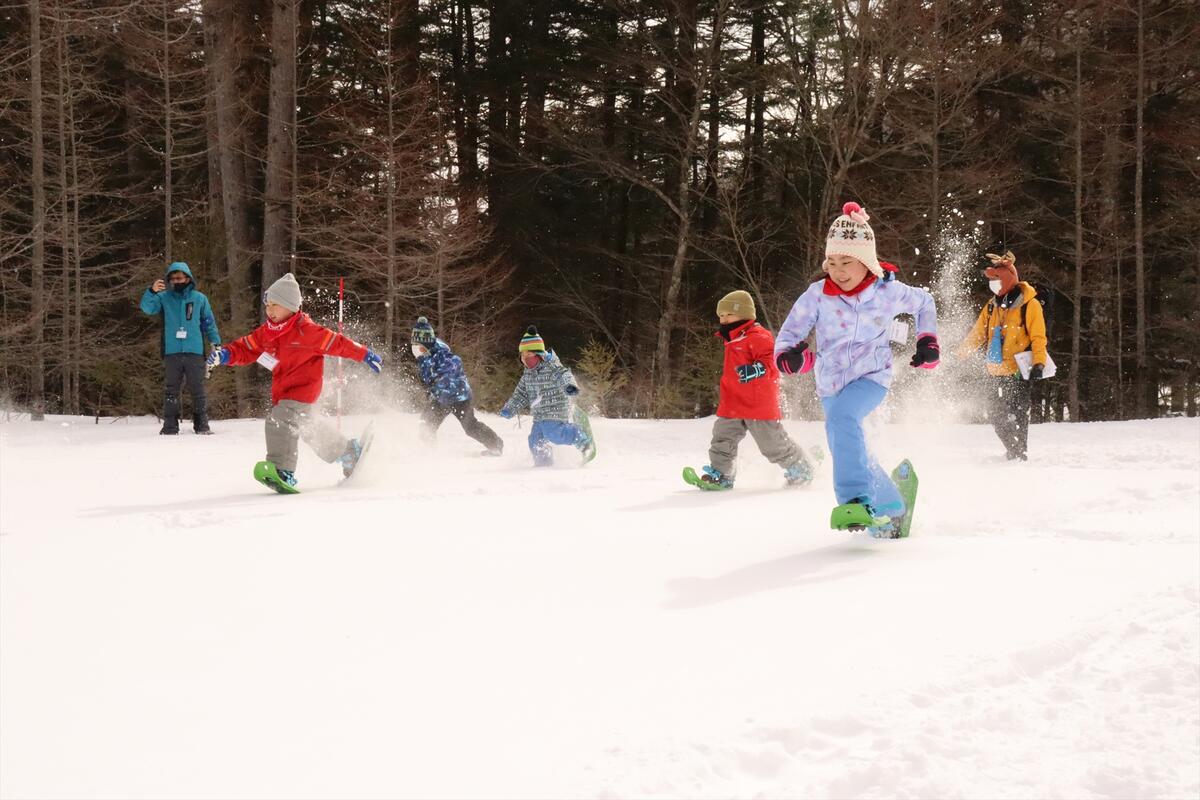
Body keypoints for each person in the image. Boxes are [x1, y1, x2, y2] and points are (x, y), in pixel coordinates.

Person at [774, 202, 939, 536]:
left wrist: (928, 340)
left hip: (871, 377)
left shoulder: (888, 293)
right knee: (846, 443)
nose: (839, 270)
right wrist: (791, 358)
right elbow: (789, 336)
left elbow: (925, 302)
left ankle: (856, 501)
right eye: (832, 262)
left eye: (847, 262)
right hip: (831, 383)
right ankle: (891, 505)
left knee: (844, 422)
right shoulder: (817, 295)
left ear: (866, 263)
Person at [206, 272, 383, 489]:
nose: (270, 311)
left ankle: (283, 470)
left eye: (275, 305)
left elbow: (338, 343)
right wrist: (224, 354)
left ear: (291, 306)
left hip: (303, 391)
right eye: (268, 305)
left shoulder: (307, 331)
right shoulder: (267, 333)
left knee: (279, 420)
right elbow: (246, 348)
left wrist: (364, 354)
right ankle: (348, 452)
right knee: (308, 429)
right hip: (284, 393)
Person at [689, 290, 815, 490]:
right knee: (722, 438)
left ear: (745, 314)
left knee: (771, 444)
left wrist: (756, 369)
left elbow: (773, 363)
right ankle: (722, 475)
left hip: (758, 404)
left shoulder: (759, 336)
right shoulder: (731, 338)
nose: (724, 319)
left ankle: (801, 467)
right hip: (732, 402)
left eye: (729, 314)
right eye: (721, 315)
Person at [956, 250, 1048, 461]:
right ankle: (1014, 450)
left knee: (1018, 415)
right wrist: (959, 354)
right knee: (997, 417)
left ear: (1006, 280)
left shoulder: (1030, 305)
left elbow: (1038, 337)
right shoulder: (992, 306)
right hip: (995, 370)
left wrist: (1039, 363)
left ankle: (1018, 455)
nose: (992, 285)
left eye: (995, 280)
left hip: (1018, 371)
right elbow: (977, 334)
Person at [139, 261, 222, 434]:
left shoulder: (199, 298)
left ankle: (201, 425)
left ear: (188, 278)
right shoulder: (163, 297)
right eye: (173, 278)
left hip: (195, 351)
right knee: (171, 390)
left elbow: (209, 322)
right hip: (172, 351)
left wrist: (216, 343)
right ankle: (170, 426)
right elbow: (147, 308)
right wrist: (151, 291)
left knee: (197, 389)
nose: (177, 281)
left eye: (180, 278)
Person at [498, 325, 593, 466]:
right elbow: (520, 394)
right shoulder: (527, 374)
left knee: (554, 434)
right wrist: (510, 408)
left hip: (556, 409)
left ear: (539, 355)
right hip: (540, 414)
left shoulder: (552, 366)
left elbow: (564, 375)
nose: (525, 360)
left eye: (529, 356)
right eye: (523, 357)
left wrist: (569, 386)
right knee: (535, 441)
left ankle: (581, 438)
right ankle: (544, 464)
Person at [411, 316, 504, 456]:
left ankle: (496, 445)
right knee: (426, 424)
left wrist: (440, 382)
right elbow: (428, 379)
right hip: (441, 398)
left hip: (460, 397)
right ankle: (429, 453)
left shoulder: (441, 354)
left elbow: (453, 364)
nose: (417, 352)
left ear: (426, 343)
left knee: (470, 427)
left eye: (419, 349)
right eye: (415, 349)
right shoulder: (426, 356)